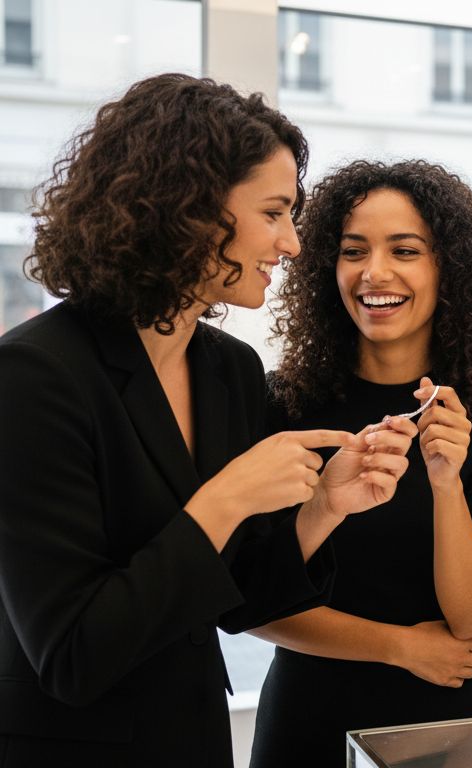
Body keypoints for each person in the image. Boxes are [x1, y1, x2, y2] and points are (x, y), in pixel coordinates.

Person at [0, 74, 416, 766]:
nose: (291, 244)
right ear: (189, 208)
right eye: (275, 212)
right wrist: (225, 499)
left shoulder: (228, 369)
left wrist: (323, 507)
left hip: (190, 737)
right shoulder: (33, 376)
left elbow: (237, 600)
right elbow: (72, 653)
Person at [249, 160, 472, 767]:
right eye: (354, 251)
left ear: (447, 268)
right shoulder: (281, 403)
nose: (374, 273)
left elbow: (470, 613)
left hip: (444, 723)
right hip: (308, 719)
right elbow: (253, 601)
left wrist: (445, 481)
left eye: (404, 250)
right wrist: (399, 647)